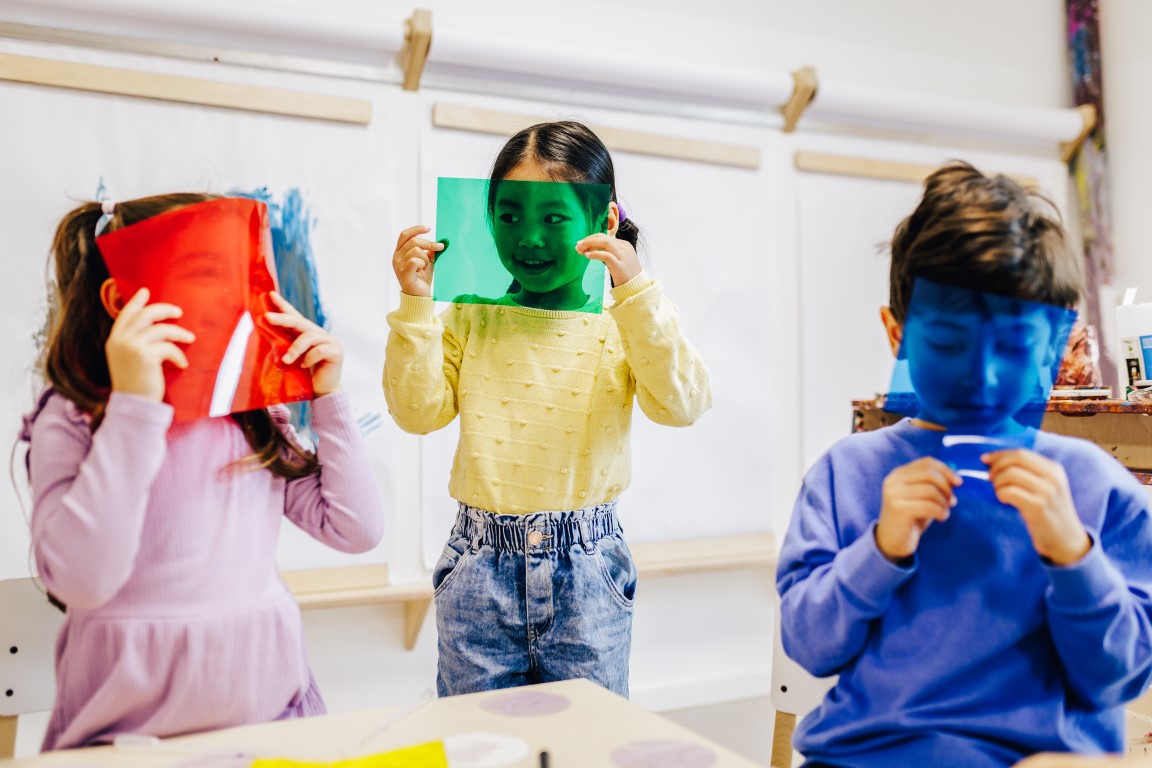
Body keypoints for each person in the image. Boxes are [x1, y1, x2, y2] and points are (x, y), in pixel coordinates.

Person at [776, 162, 1152, 767]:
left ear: (1053, 348)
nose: (981, 374)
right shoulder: (847, 474)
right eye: (949, 343)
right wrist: (880, 549)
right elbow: (810, 647)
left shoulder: (1095, 486)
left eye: (1013, 346)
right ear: (897, 334)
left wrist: (1072, 554)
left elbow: (1120, 675)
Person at [22, 193, 384, 750]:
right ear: (122, 299)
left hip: (272, 722)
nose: (234, 298)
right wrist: (135, 409)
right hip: (126, 741)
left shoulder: (250, 411)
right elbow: (83, 579)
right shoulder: (72, 415)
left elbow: (356, 529)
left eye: (241, 275)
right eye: (203, 274)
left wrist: (328, 396)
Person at [384, 120, 711, 697]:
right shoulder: (471, 315)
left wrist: (636, 291)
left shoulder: (625, 321)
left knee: (590, 736)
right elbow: (418, 413)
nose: (529, 238)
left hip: (587, 567)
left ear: (604, 220)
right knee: (478, 736)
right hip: (479, 564)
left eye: (554, 218)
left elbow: (682, 404)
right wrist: (415, 304)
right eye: (509, 216)